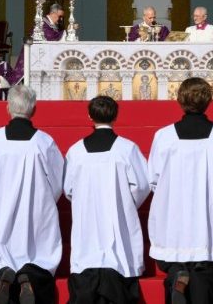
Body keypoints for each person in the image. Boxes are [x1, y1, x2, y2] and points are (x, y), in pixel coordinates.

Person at [148, 77, 213, 304]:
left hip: (176, 217)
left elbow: (154, 179)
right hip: (212, 219)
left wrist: (171, 197)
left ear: (179, 100)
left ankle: (179, 277)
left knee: (176, 251)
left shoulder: (164, 136)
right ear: (209, 100)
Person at [0, 84, 64, 304]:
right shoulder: (44, 141)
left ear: (8, 108)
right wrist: (44, 201)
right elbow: (57, 180)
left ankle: (0, 272)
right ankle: (29, 275)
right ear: (33, 109)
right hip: (34, 208)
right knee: (40, 251)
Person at [64, 96, 151, 304]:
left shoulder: (76, 151)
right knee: (121, 257)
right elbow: (142, 185)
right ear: (116, 116)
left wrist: (85, 201)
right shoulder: (127, 149)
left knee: (86, 254)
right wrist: (124, 204)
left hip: (87, 219)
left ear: (89, 116)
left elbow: (69, 189)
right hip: (118, 221)